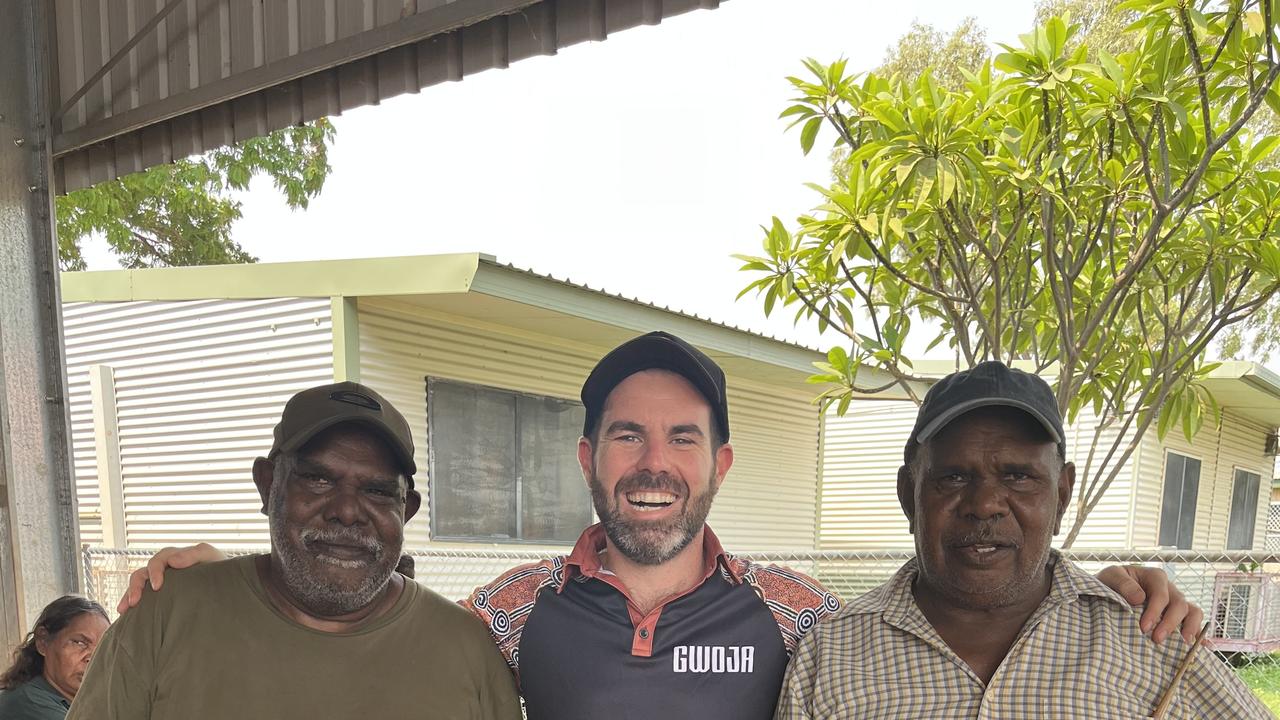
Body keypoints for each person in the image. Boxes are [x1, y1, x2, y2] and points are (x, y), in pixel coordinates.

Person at [121, 335, 1203, 717]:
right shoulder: (500, 618)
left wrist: (1104, 580)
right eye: (625, 437)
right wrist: (238, 570)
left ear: (718, 464)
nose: (652, 464)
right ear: (587, 458)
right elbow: (369, 629)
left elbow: (962, 595)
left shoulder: (810, 625)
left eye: (681, 438)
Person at [774, 361, 1270, 719]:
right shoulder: (831, 655)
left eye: (1017, 477)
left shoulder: (1151, 640)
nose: (984, 503)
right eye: (951, 477)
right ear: (909, 495)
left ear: (1062, 493)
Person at [67, 382, 520, 720]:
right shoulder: (165, 618)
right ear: (268, 485)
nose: (346, 511)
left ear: (408, 511)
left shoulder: (467, 649)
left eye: (379, 491)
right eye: (318, 479)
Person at [0, 596, 109, 719]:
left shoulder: (73, 701)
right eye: (79, 643)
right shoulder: (29, 703)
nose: (94, 658)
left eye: (103, 646)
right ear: (43, 641)